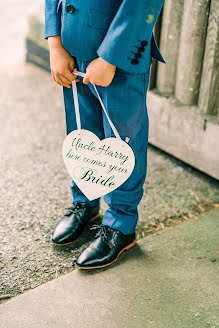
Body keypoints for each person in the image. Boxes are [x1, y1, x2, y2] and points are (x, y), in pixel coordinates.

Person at [44, 0, 165, 269]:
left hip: (119, 58)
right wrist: (55, 41)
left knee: (121, 142)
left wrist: (111, 57)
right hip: (71, 50)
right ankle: (84, 200)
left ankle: (120, 223)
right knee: (81, 132)